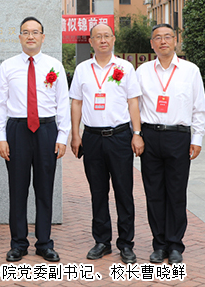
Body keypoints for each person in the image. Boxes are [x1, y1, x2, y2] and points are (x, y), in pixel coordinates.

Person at [0, 16, 70, 263]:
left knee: (45, 188)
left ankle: (44, 243)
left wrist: (62, 136)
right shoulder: (8, 66)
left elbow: (63, 103)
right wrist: (1, 137)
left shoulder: (54, 66)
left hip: (46, 130)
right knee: (18, 188)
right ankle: (18, 243)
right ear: (19, 37)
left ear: (43, 37)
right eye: (25, 32)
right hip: (17, 130)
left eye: (35, 32)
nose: (30, 36)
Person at [69, 23, 143, 264]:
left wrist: (137, 133)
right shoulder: (82, 69)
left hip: (120, 137)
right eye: (98, 37)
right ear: (90, 42)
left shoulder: (125, 67)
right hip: (92, 138)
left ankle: (126, 244)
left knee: (124, 191)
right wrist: (76, 134)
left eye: (106, 36)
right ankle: (102, 241)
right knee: (98, 192)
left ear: (113, 39)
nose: (102, 40)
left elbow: (133, 102)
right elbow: (76, 102)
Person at [136, 23, 205, 265]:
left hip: (178, 137)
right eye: (158, 37)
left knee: (176, 193)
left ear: (175, 40)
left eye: (167, 36)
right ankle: (159, 245)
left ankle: (175, 245)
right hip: (150, 137)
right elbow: (134, 107)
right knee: (154, 193)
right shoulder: (143, 71)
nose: (163, 41)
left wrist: (197, 138)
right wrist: (136, 134)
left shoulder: (190, 70)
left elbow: (199, 107)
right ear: (152, 43)